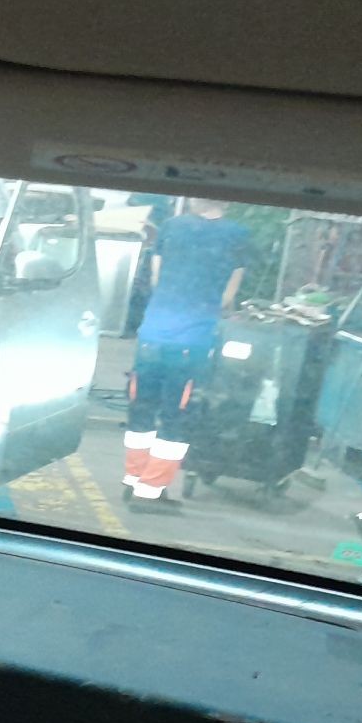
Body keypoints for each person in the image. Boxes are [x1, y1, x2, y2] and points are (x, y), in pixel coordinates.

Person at [124, 197, 250, 511]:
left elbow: (156, 279)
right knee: (175, 416)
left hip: (152, 335)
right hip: (191, 341)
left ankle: (133, 479)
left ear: (195, 198)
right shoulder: (237, 235)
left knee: (142, 409)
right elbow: (227, 296)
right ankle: (150, 492)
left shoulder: (170, 227)